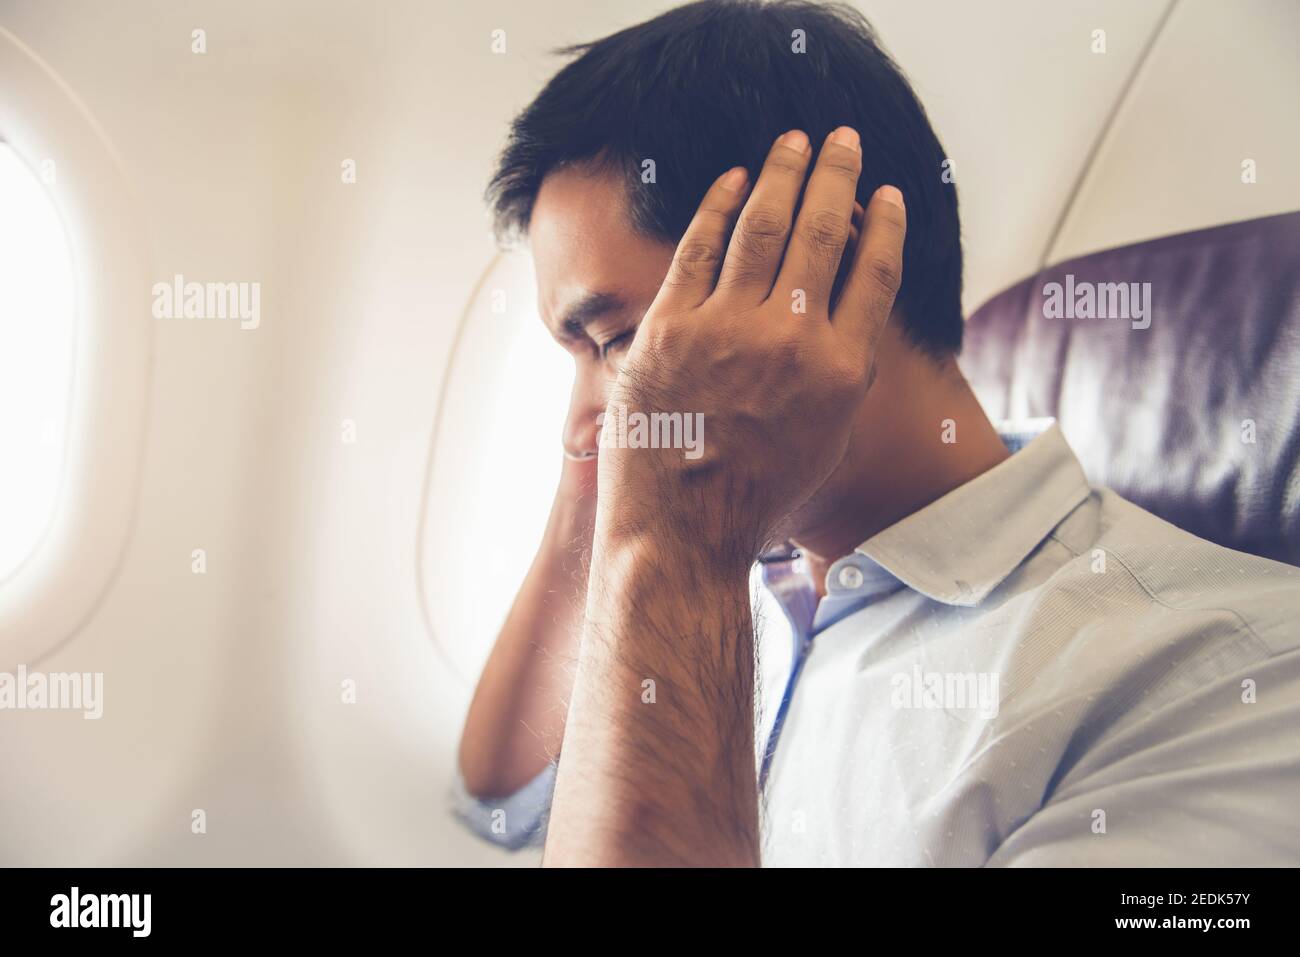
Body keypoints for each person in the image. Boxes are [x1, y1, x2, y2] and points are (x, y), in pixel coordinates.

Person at [453, 0, 1300, 866]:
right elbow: (503, 804)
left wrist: (679, 541)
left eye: (618, 339)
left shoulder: (1231, 680)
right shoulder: (739, 575)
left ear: (819, 268)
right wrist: (598, 478)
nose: (580, 418)